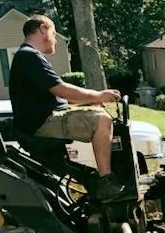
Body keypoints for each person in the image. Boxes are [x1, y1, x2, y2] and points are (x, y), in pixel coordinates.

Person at [8, 14, 124, 201]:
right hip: (42, 123)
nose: (55, 38)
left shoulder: (28, 56)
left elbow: (58, 96)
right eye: (54, 32)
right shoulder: (29, 56)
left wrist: (90, 101)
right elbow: (61, 90)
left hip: (43, 120)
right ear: (43, 29)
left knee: (98, 114)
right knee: (102, 119)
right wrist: (98, 95)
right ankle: (106, 182)